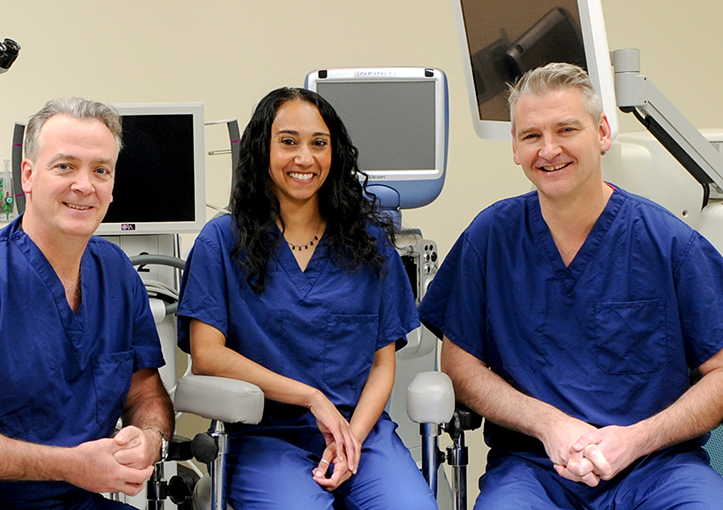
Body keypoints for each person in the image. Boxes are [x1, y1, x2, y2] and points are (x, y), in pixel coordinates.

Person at [419, 61, 723, 509]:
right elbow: (460, 368)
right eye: (531, 136)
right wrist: (550, 425)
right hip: (534, 470)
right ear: (515, 150)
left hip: (658, 467)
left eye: (566, 129)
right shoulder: (492, 238)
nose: (549, 149)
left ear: (602, 133)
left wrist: (635, 440)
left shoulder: (668, 244)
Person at [176, 87, 438, 510]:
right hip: (267, 437)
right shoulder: (221, 242)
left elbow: (382, 362)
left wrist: (350, 438)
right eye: (288, 141)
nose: (305, 158)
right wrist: (311, 397)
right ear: (263, 148)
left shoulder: (367, 242)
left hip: (360, 434)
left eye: (319, 143)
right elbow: (206, 355)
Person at [0, 97, 174, 509]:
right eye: (65, 166)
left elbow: (145, 392)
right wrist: (68, 465)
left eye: (101, 170)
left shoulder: (117, 273)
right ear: (28, 174)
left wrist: (150, 438)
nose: (84, 185)